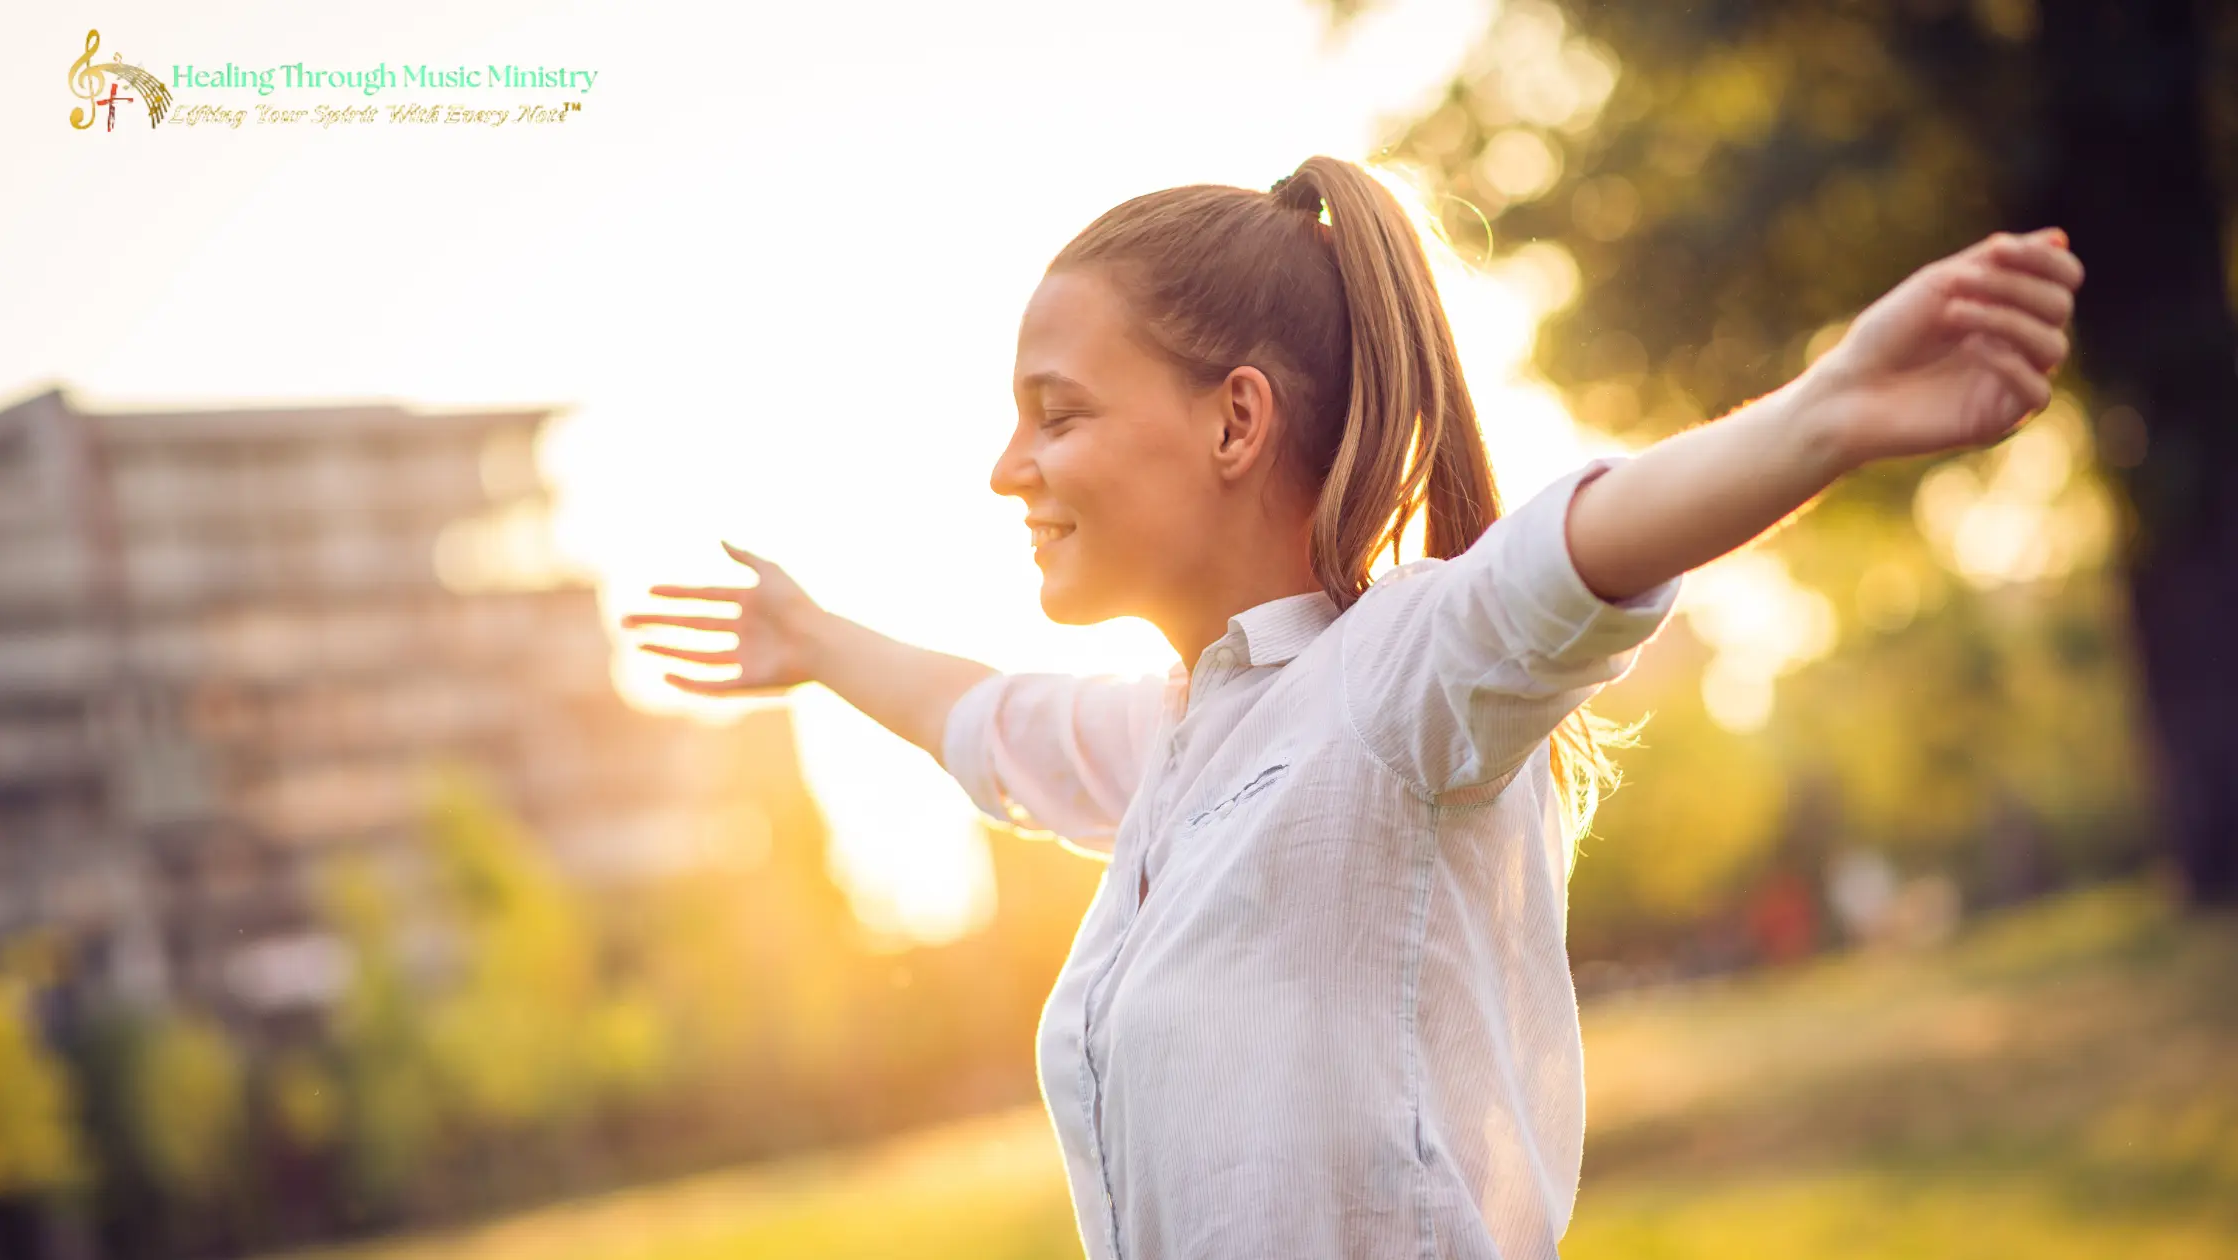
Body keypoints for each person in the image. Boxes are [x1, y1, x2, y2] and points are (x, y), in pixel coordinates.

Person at [620, 155, 2081, 1259]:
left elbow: (1575, 547)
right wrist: (811, 637)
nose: (1012, 467)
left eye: (1056, 412)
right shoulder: (1177, 749)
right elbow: (994, 729)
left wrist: (1822, 412)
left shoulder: (1395, 683)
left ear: (1236, 422)